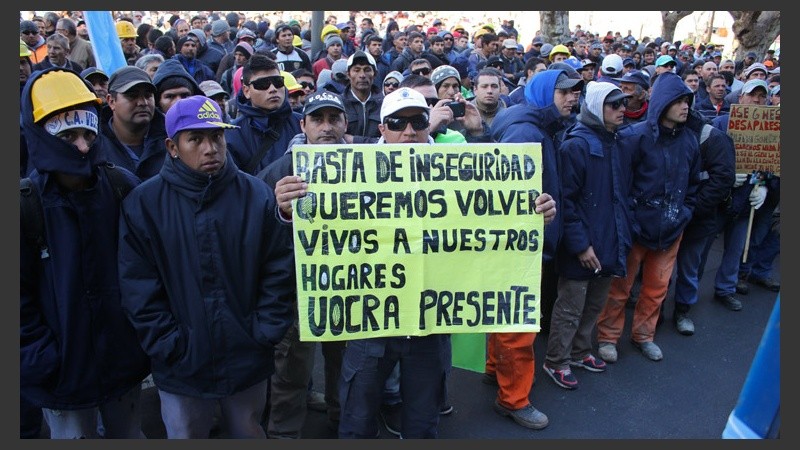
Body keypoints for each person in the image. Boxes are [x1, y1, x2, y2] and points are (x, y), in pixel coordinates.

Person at [118, 95, 295, 438]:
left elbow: (278, 269)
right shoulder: (144, 204)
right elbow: (138, 287)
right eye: (195, 139)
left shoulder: (256, 195)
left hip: (247, 357)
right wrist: (169, 344)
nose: (210, 148)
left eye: (216, 136)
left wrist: (264, 331)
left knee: (247, 431)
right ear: (172, 147)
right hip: (181, 366)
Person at [20, 66, 150, 439]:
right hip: (63, 377)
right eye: (67, 136)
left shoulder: (120, 185)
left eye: (88, 134)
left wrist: (135, 339)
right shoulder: (25, 205)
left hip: (121, 363)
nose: (81, 146)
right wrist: (44, 360)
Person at [336, 88, 444, 439]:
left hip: (429, 322)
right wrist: (289, 210)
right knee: (357, 418)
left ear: (429, 125)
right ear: (382, 128)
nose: (409, 131)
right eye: (399, 122)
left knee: (423, 423)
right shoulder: (349, 170)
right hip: (372, 320)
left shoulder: (456, 169)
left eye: (418, 121)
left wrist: (530, 214)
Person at [486, 68, 576, 429]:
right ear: (542, 94)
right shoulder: (526, 131)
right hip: (520, 246)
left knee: (505, 317)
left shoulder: (538, 127)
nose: (573, 98)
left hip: (525, 243)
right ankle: (514, 399)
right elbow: (506, 196)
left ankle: (497, 369)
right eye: (564, 91)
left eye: (576, 92)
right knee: (519, 324)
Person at [257, 91, 350, 438]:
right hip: (299, 290)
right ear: (303, 125)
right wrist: (279, 211)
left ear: (345, 123)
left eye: (333, 119)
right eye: (317, 120)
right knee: (291, 372)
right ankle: (283, 435)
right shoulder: (279, 172)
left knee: (344, 366)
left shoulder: (368, 164)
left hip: (349, 285)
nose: (326, 128)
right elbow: (258, 237)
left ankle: (343, 423)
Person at [596, 71, 701, 363]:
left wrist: (684, 213)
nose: (685, 107)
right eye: (679, 101)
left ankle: (644, 336)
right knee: (619, 289)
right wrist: (628, 221)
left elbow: (693, 185)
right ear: (664, 102)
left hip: (671, 227)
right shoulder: (633, 137)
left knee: (657, 289)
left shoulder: (690, 141)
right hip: (635, 228)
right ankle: (607, 337)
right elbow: (620, 184)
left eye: (688, 102)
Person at [543, 81, 633, 390]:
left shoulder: (616, 141)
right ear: (596, 107)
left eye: (623, 103)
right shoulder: (576, 145)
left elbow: (620, 195)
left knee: (595, 304)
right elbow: (566, 200)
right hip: (582, 245)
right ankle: (556, 360)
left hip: (608, 240)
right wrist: (580, 245)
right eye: (615, 104)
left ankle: (580, 352)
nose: (623, 109)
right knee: (570, 306)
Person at [708, 79, 777, 311]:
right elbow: (705, 159)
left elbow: (767, 162)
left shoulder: (771, 130)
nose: (757, 100)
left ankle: (725, 289)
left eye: (762, 96)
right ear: (741, 98)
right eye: (752, 95)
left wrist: (764, 184)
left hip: (747, 198)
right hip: (718, 199)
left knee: (736, 248)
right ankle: (684, 297)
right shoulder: (720, 123)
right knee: (700, 249)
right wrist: (723, 177)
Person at [670, 107, 736, 336]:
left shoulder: (713, 138)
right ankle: (653, 311)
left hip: (697, 218)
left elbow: (722, 179)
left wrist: (692, 209)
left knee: (690, 267)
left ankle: (683, 310)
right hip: (668, 217)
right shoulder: (663, 132)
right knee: (660, 269)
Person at [225, 54, 302, 175]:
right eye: (262, 84)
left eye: (278, 82)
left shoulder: (304, 124)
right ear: (246, 91)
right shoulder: (232, 135)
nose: (272, 89)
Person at [100, 66, 169, 181]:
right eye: (132, 95)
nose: (143, 102)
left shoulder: (172, 138)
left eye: (148, 95)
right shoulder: (94, 144)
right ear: (111, 101)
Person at [342, 50, 384, 143]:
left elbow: (389, 139)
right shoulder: (339, 103)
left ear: (375, 74)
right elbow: (337, 137)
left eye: (367, 70)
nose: (362, 75)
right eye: (356, 70)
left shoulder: (385, 104)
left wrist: (354, 140)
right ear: (348, 74)